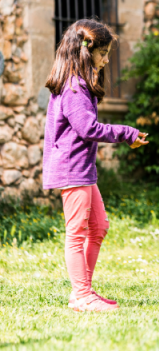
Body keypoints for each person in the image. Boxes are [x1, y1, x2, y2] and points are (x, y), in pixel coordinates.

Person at [43, 19, 148, 312]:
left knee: (99, 226)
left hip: (82, 169)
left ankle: (84, 291)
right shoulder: (74, 87)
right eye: (103, 53)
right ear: (87, 53)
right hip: (72, 169)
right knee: (76, 232)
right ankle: (81, 295)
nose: (106, 60)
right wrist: (126, 133)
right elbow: (88, 128)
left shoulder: (78, 84)